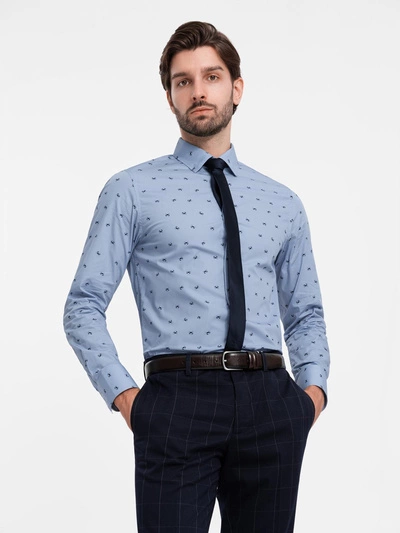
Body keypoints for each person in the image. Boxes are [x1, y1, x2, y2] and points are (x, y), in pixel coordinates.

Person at [64, 21, 330, 533]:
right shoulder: (131, 189)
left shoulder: (282, 202)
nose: (198, 91)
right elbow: (83, 306)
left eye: (211, 76)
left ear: (237, 88)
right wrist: (129, 400)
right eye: (183, 81)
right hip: (176, 402)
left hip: (272, 402)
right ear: (170, 97)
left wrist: (310, 396)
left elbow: (305, 313)